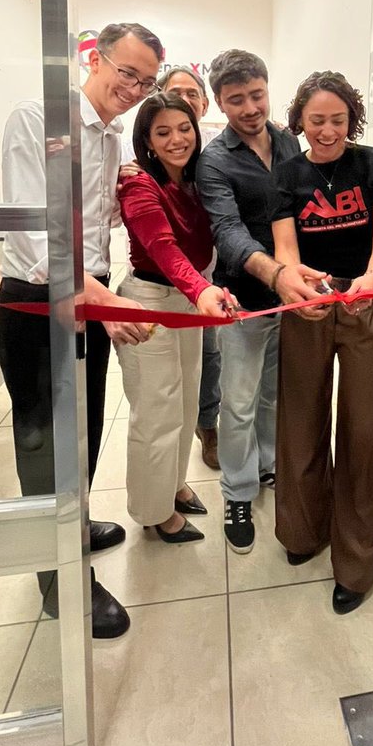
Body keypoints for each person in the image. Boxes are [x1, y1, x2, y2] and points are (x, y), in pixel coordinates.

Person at [0, 21, 162, 639]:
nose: (135, 88)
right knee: (44, 440)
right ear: (94, 58)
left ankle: (75, 520)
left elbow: (100, 220)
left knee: (85, 427)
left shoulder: (113, 135)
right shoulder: (39, 118)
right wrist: (98, 297)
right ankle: (59, 581)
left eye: (145, 81)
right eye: (127, 73)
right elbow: (33, 232)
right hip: (37, 300)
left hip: (86, 294)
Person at [270, 71, 373, 614]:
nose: (327, 131)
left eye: (338, 120)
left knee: (365, 430)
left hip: (367, 301)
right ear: (299, 121)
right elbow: (283, 249)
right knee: (300, 422)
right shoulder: (286, 173)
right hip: (307, 301)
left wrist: (369, 283)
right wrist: (304, 283)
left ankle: (357, 563)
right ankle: (302, 533)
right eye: (317, 120)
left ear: (353, 119)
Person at [196, 49, 324, 554]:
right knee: (240, 402)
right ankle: (237, 492)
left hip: (295, 300)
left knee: (275, 394)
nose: (249, 108)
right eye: (235, 101)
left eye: (256, 96)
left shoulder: (291, 142)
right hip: (244, 300)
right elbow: (226, 231)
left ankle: (268, 467)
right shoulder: (214, 160)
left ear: (268, 89)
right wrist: (276, 274)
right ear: (220, 104)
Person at [116, 90, 233, 543]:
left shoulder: (193, 179)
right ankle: (152, 512)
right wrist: (201, 288)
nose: (177, 139)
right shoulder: (138, 182)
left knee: (184, 405)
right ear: (146, 138)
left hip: (187, 300)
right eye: (163, 132)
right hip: (151, 303)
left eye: (184, 128)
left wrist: (202, 290)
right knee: (156, 414)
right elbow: (163, 249)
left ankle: (172, 486)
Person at [158, 64, 223, 470]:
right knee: (166, 376)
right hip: (163, 282)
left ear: (203, 102)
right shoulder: (146, 160)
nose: (184, 98)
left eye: (191, 93)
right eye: (174, 91)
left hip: (210, 274)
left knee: (210, 355)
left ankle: (206, 425)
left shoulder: (215, 154)